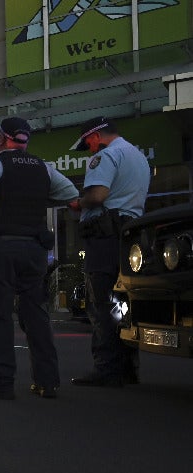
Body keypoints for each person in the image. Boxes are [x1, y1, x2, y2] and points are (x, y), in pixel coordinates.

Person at [0, 117, 79, 400]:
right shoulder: (44, 168)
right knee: (36, 316)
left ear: (2, 139)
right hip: (34, 251)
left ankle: (0, 382)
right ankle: (47, 381)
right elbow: (72, 195)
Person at [68, 116, 150, 388]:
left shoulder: (104, 157)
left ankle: (106, 369)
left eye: (88, 144)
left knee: (101, 303)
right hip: (131, 236)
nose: (90, 150)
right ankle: (128, 368)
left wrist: (79, 202)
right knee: (123, 304)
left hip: (104, 237)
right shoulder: (137, 156)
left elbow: (98, 196)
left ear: (94, 137)